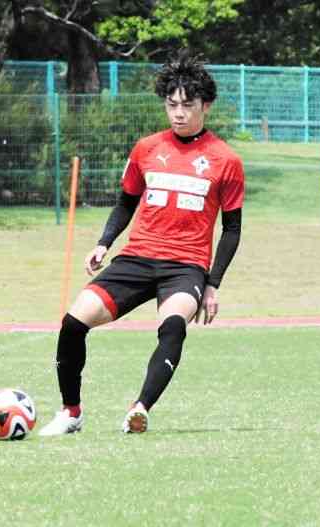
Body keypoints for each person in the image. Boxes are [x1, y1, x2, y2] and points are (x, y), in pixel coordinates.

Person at [39, 51, 244, 436]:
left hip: (186, 266)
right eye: (172, 104)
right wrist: (103, 243)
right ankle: (71, 413)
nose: (178, 113)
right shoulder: (147, 148)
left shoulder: (226, 159)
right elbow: (125, 203)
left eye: (188, 105)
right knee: (73, 322)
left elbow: (232, 229)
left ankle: (140, 409)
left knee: (172, 326)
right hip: (136, 258)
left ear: (206, 106)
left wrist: (212, 283)